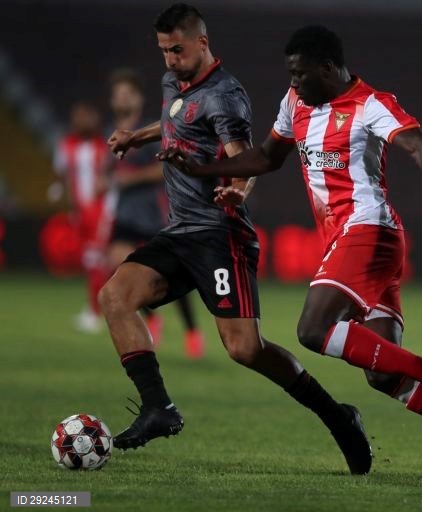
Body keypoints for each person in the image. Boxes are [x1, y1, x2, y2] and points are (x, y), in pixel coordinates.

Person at [158, 24, 422, 480]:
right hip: (352, 241)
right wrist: (204, 168)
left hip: (368, 232)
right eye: (290, 74)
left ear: (328, 68)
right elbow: (265, 157)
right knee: (382, 375)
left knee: (313, 328)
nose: (294, 82)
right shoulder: (294, 103)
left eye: (300, 74)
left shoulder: (370, 103)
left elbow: (416, 141)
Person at [102, 3, 372, 475]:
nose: (169, 59)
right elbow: (174, 118)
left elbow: (244, 158)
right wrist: (138, 137)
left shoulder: (226, 95)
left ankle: (337, 415)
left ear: (202, 44)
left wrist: (238, 188)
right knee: (115, 295)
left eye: (177, 50)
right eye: (164, 51)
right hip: (180, 231)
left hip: (219, 235)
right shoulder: (175, 82)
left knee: (245, 349)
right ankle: (158, 407)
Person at [107, 68, 205, 358]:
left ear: (137, 98)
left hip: (153, 213)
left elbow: (164, 168)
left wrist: (131, 178)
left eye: (128, 93)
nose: (122, 99)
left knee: (168, 275)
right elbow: (108, 171)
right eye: (118, 94)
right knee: (123, 267)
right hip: (123, 215)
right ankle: (152, 317)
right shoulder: (109, 132)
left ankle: (192, 331)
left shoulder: (150, 131)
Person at [51, 101, 112, 333]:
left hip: (101, 211)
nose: (82, 121)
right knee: (93, 261)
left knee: (99, 260)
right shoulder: (65, 146)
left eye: (87, 116)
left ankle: (96, 312)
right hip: (80, 212)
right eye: (78, 116)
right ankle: (102, 308)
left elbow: (112, 176)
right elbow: (62, 175)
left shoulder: (105, 145)